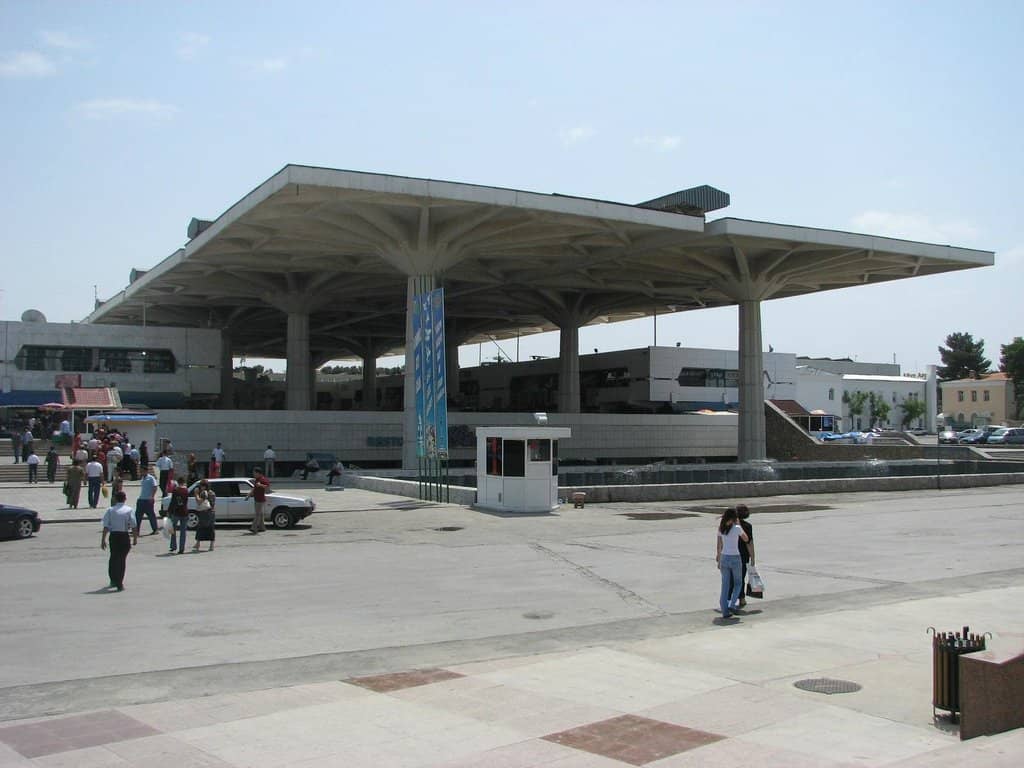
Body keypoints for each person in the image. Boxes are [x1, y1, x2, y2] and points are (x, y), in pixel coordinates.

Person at [716, 507, 749, 620]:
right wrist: (738, 523)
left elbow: (719, 544)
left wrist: (719, 558)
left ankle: (724, 610)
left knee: (725, 585)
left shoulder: (721, 528)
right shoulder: (737, 528)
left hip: (724, 557)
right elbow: (746, 538)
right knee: (738, 583)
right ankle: (732, 604)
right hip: (735, 557)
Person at [101, 490, 138, 591]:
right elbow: (134, 525)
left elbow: (106, 526)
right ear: (125, 499)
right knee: (121, 560)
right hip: (124, 536)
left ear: (116, 499)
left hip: (114, 536)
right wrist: (135, 538)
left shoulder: (110, 510)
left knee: (113, 558)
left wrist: (103, 540)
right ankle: (119, 583)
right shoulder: (129, 510)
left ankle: (113, 580)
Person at [735, 504, 756, 609]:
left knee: (732, 577)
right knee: (741, 577)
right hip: (743, 555)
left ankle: (731, 598)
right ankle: (741, 598)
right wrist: (753, 557)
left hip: (731, 554)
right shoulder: (747, 526)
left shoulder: (730, 525)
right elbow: (749, 543)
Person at [167, 477, 191, 554]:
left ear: (178, 482)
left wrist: (169, 511)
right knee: (183, 532)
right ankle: (181, 548)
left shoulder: (176, 490)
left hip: (176, 512)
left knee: (172, 530)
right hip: (184, 512)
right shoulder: (186, 490)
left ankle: (173, 546)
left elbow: (173, 501)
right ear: (183, 482)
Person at [192, 478, 216, 551]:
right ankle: (211, 545)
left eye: (201, 486)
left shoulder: (204, 493)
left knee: (200, 528)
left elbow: (199, 502)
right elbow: (213, 503)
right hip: (211, 512)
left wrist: (196, 494)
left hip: (204, 513)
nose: (200, 487)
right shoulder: (212, 493)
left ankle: (198, 544)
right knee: (211, 528)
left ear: (204, 486)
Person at [135, 467, 159, 535]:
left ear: (146, 471)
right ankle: (136, 530)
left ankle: (155, 529)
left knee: (151, 515)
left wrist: (152, 497)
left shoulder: (151, 478)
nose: (141, 472)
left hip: (148, 500)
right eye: (140, 471)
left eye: (142, 471)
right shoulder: (142, 478)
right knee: (137, 516)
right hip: (141, 499)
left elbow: (155, 487)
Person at [246, 468, 270, 533]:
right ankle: (262, 527)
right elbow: (254, 488)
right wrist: (249, 495)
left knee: (257, 514)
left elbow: (267, 487)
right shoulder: (257, 479)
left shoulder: (263, 479)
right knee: (260, 514)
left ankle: (253, 528)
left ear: (258, 473)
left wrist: (260, 485)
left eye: (254, 473)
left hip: (260, 499)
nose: (253, 474)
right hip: (256, 499)